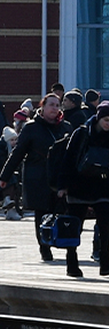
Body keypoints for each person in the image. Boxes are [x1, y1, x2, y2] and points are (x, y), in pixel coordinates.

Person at [54, 101, 109, 276]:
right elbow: (69, 159)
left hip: (101, 186)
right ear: (98, 117)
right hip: (78, 185)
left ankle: (105, 262)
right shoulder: (81, 133)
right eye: (106, 120)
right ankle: (71, 263)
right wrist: (62, 186)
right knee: (74, 225)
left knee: (105, 224)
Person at [0, 93, 71, 261]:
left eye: (57, 105)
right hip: (38, 176)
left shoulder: (66, 127)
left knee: (63, 210)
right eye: (51, 105)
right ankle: (44, 247)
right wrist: (4, 176)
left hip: (59, 176)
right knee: (42, 211)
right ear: (43, 107)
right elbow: (18, 153)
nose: (54, 108)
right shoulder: (31, 128)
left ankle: (63, 241)